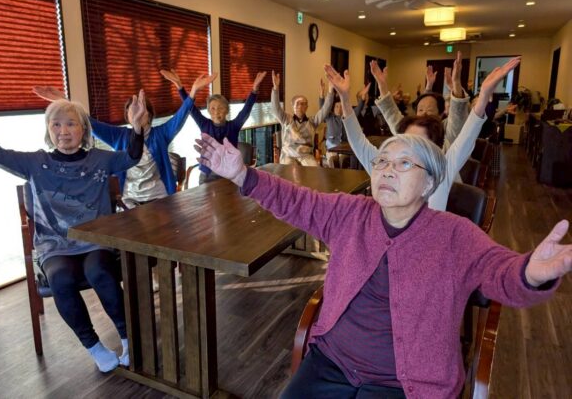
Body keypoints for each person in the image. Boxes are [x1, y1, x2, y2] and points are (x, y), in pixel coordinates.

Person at [194, 131, 571, 399]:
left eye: (404, 163)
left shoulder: (454, 235)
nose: (388, 170)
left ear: (429, 185)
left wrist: (528, 273)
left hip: (404, 383)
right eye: (382, 161)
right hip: (331, 362)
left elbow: (499, 272)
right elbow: (296, 200)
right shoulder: (350, 213)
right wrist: (242, 175)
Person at [0, 90, 146, 372]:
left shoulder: (100, 159)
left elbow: (131, 158)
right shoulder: (34, 163)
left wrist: (137, 128)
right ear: (48, 129)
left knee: (100, 272)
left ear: (83, 129)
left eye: (71, 124)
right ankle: (94, 346)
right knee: (60, 278)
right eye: (56, 124)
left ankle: (128, 339)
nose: (63, 131)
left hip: (95, 241)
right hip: (54, 245)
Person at [331, 57, 521, 210]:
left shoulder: (440, 174)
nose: (409, 148)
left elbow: (467, 136)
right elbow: (359, 142)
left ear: (434, 152)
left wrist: (484, 96)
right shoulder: (385, 168)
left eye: (419, 144)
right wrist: (345, 99)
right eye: (406, 141)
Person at [33, 82, 205, 207]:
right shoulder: (119, 136)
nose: (136, 112)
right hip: (130, 201)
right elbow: (89, 122)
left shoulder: (161, 133)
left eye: (141, 108)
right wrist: (64, 101)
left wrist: (193, 91)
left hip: (161, 199)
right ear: (128, 117)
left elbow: (180, 116)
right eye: (131, 110)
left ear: (149, 115)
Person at [161, 69, 266, 183]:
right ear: (209, 111)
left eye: (221, 108)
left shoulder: (233, 126)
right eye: (213, 108)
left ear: (227, 110)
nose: (216, 112)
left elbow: (246, 110)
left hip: (229, 174)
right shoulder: (204, 124)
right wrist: (179, 86)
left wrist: (254, 89)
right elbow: (190, 108)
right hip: (207, 175)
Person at [376, 52, 470, 151]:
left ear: (441, 114)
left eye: (430, 110)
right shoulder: (410, 130)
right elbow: (391, 114)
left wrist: (456, 83)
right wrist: (382, 86)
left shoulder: (446, 134)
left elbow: (457, 117)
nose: (424, 114)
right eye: (420, 110)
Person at [271, 71, 333, 166]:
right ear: (292, 106)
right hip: (288, 154)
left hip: (306, 155)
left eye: (303, 104)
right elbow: (276, 108)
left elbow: (325, 110)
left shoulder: (312, 121)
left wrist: (330, 91)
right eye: (297, 104)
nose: (300, 106)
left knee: (314, 169)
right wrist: (276, 88)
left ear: (307, 107)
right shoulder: (286, 119)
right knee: (287, 170)